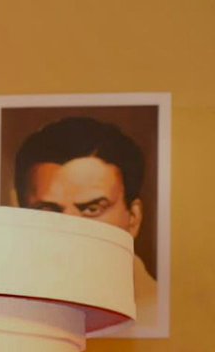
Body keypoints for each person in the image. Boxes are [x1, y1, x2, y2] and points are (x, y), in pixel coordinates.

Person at [13, 116, 158, 327]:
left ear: (133, 218)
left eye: (92, 209)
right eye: (48, 212)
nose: (71, 232)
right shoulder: (11, 314)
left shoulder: (154, 310)